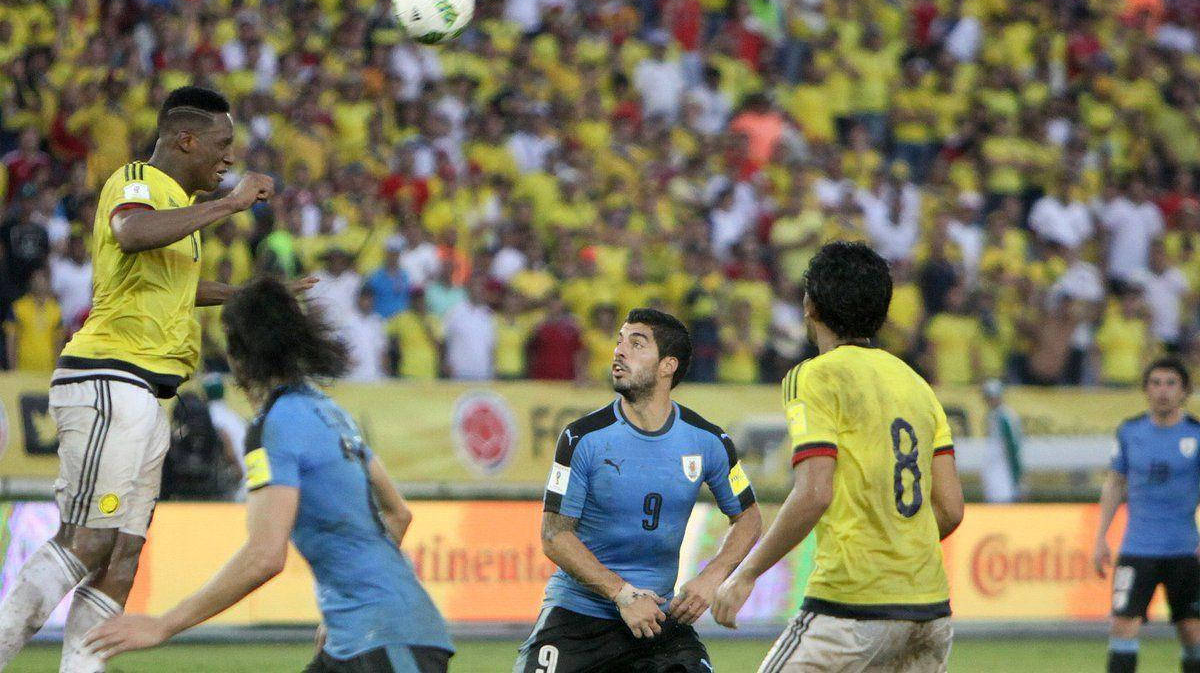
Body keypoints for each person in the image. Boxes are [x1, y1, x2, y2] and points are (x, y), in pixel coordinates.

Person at [0, 86, 312, 672]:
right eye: (221, 146)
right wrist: (231, 204)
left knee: (122, 555)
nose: (227, 161)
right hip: (108, 376)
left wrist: (254, 293)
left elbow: (177, 287)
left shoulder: (178, 212)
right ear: (185, 139)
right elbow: (131, 232)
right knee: (87, 538)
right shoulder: (138, 178)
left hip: (146, 391)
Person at [85, 277, 454, 671]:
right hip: (377, 635)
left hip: (384, 645)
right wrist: (342, 614)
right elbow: (399, 513)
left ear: (241, 353)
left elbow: (265, 556)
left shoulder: (274, 427)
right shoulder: (329, 412)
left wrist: (163, 624)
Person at [712, 241, 964, 673]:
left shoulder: (814, 376)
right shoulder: (917, 385)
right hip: (929, 610)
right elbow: (951, 509)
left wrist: (747, 573)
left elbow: (813, 493)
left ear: (810, 305)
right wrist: (896, 550)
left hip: (851, 606)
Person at [514, 308, 762, 673]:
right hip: (577, 619)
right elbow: (554, 535)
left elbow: (749, 518)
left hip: (657, 622)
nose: (619, 351)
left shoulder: (709, 441)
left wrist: (712, 578)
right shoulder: (581, 438)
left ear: (667, 366)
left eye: (636, 343)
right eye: (619, 341)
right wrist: (622, 594)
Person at [1092, 358, 1200, 673]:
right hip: (1137, 549)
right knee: (1123, 624)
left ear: (1184, 391)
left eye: (1170, 383)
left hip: (1184, 550)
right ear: (1146, 390)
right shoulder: (1130, 431)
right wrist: (1100, 538)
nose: (1162, 391)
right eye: (1155, 383)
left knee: (1191, 630)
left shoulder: (1195, 434)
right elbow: (1114, 483)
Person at [981, 379, 1024, 503]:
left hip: (1003, 473)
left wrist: (1017, 479)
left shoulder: (1005, 417)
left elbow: (1013, 448)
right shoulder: (992, 416)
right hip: (994, 471)